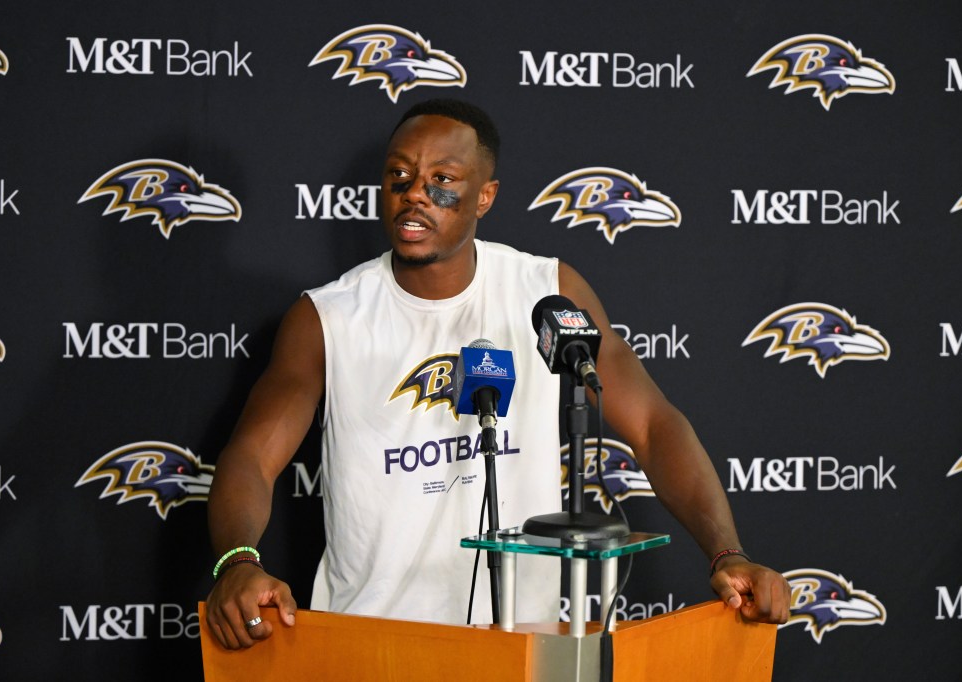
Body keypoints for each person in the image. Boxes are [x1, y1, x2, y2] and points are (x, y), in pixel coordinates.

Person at [204, 98, 791, 649]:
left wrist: (725, 553)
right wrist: (237, 561)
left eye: (443, 182)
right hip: (375, 644)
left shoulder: (548, 292)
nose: (416, 196)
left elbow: (654, 426)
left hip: (523, 641)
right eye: (400, 177)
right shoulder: (327, 317)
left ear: (485, 196)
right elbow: (252, 457)